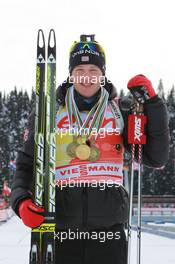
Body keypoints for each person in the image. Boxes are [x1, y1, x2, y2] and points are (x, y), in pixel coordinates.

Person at [10, 34, 170, 264]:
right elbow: (26, 163)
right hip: (60, 229)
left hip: (109, 233)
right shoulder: (50, 112)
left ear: (103, 74)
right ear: (70, 73)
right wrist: (20, 200)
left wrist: (153, 105)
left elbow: (155, 157)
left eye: (93, 70)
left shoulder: (121, 110)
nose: (86, 77)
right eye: (80, 70)